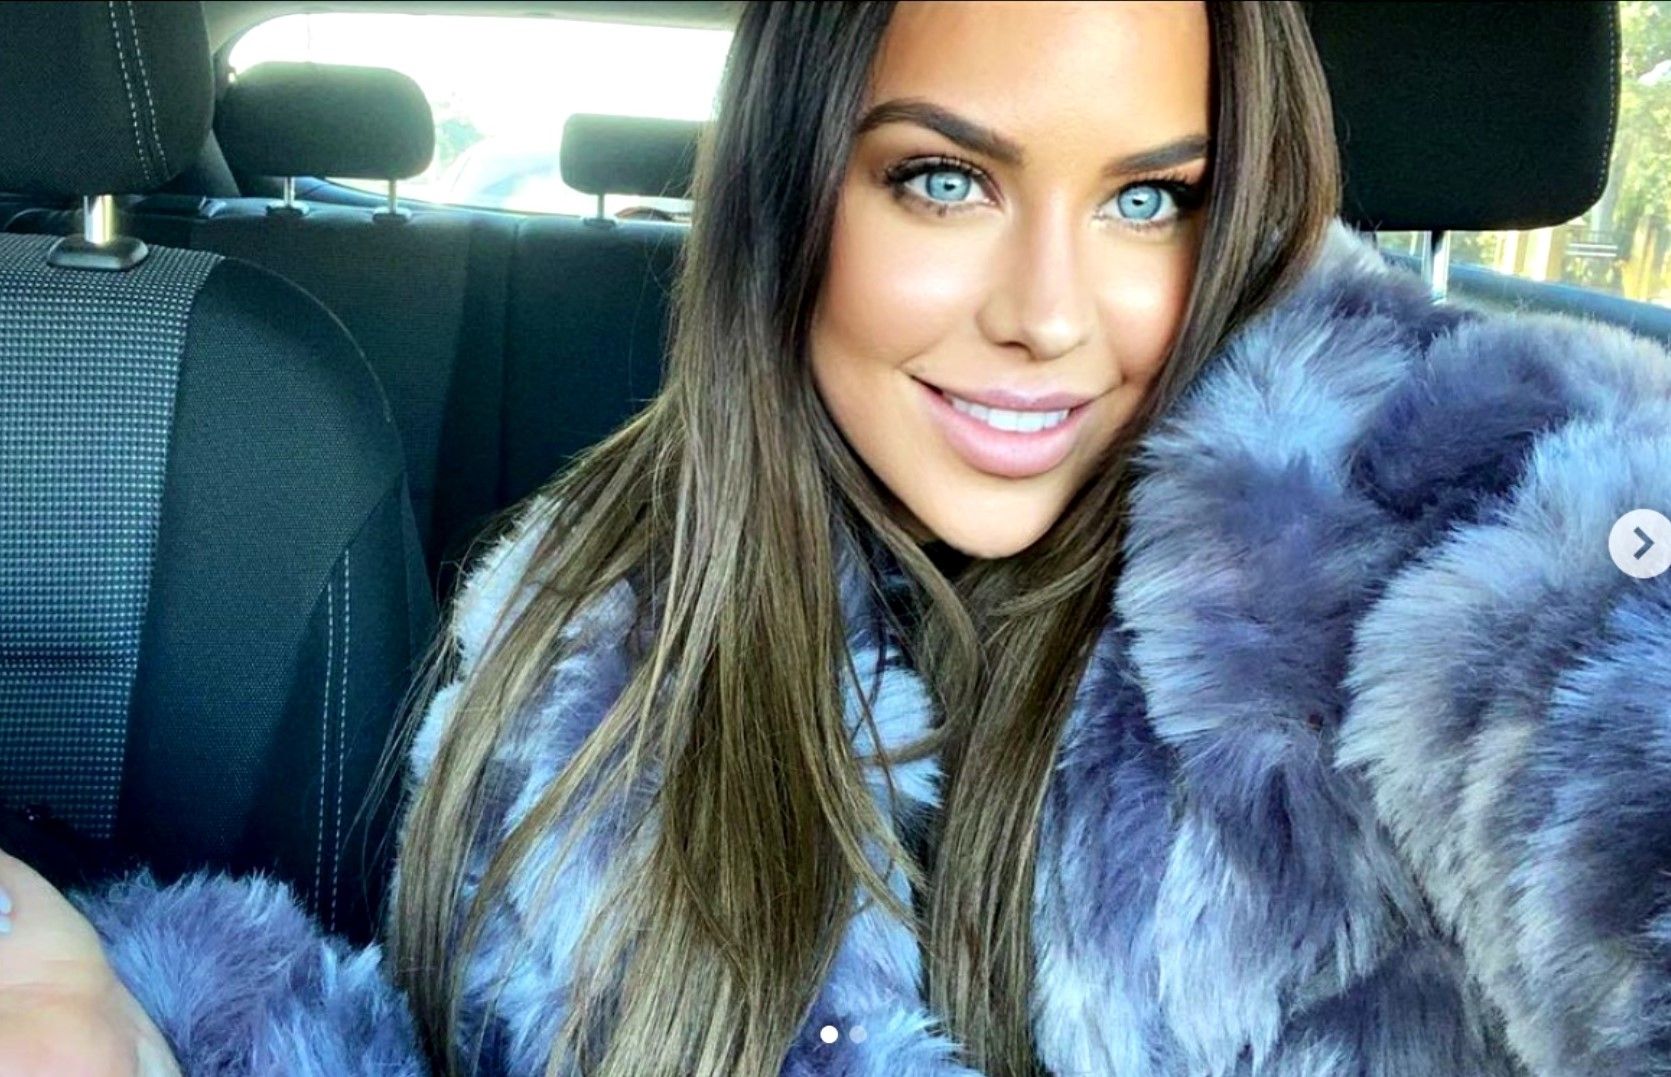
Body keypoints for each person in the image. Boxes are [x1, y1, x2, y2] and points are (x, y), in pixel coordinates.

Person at [4, 2, 1671, 1074]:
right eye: (945, 180)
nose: (1047, 315)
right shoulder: (594, 625)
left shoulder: (1466, 518)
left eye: (1151, 198)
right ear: (794, 192)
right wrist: (139, 1025)